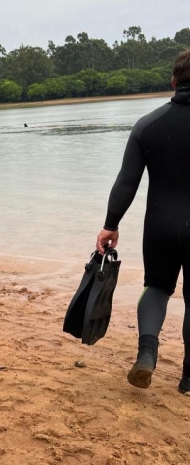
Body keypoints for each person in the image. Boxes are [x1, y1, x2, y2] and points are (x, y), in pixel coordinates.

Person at [96, 49, 190, 393]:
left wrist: (111, 224)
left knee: (157, 288)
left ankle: (147, 354)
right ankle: (189, 378)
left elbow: (126, 183)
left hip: (160, 227)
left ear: (174, 82)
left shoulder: (147, 125)